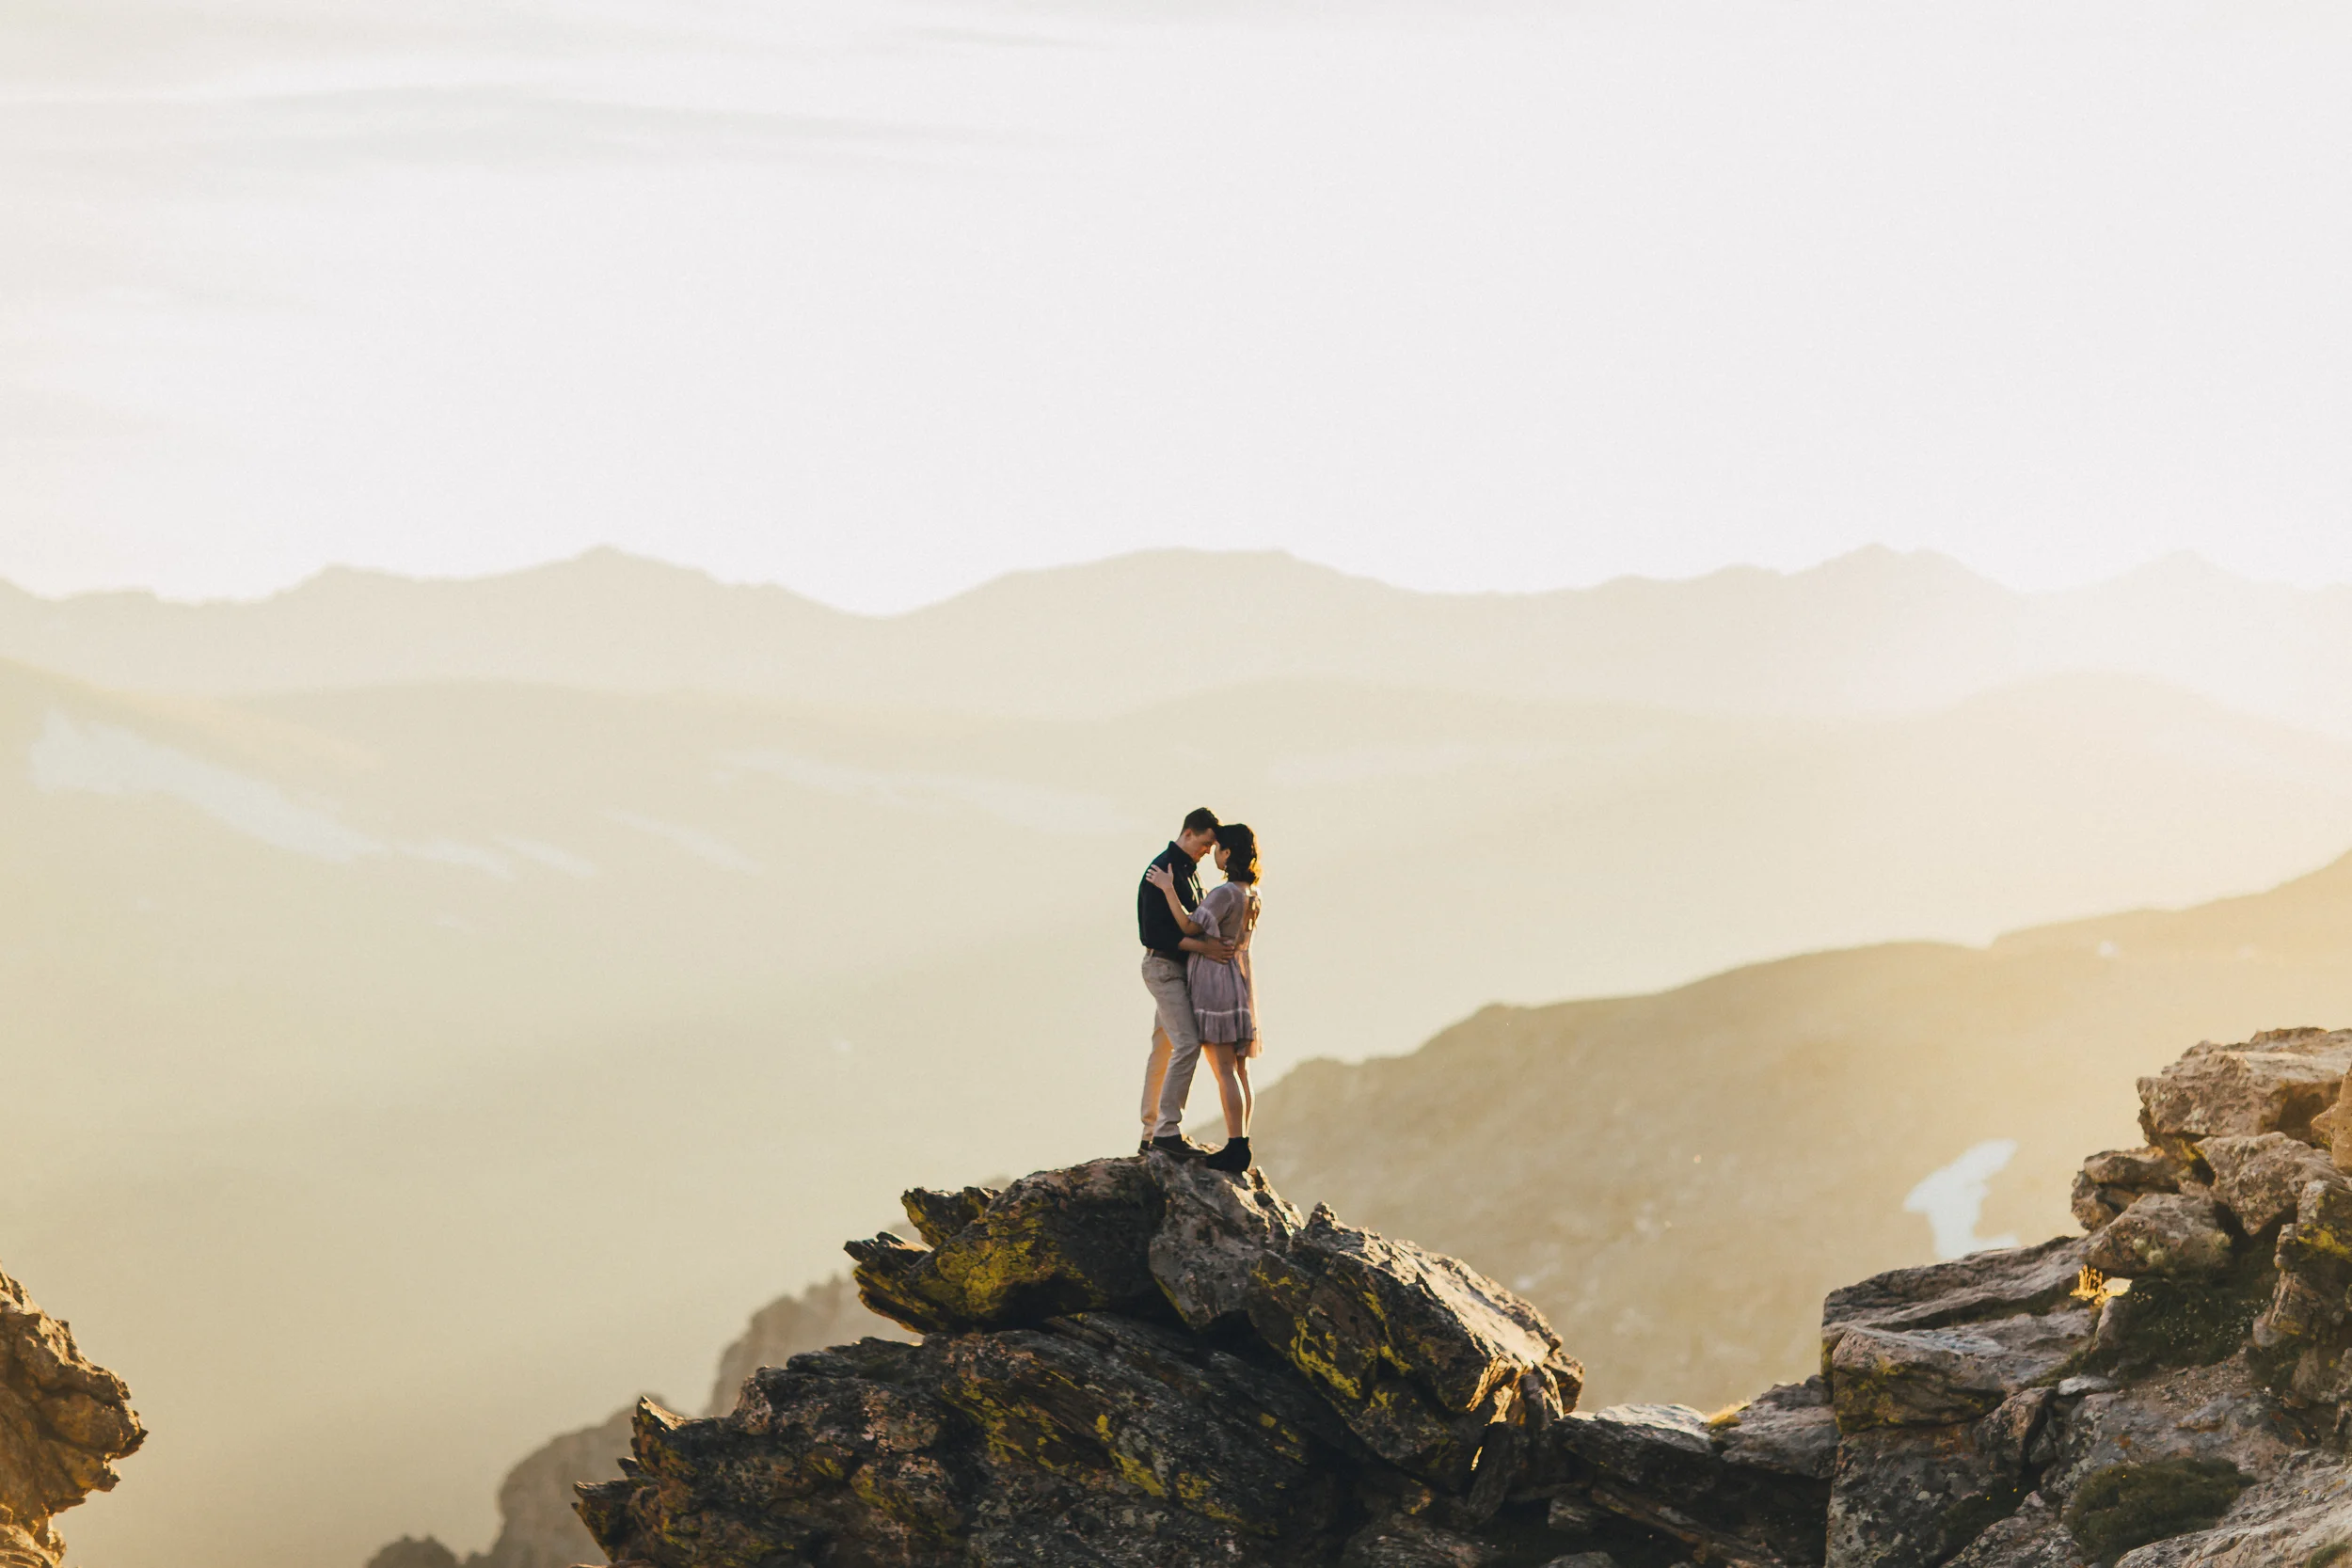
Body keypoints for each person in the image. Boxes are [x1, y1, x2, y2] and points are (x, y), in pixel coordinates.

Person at [1143, 822, 1262, 1172]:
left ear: (1229, 853)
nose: (1212, 854)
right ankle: (1242, 1140)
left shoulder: (1224, 893)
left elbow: (1188, 926)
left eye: (1218, 848)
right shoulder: (1252, 894)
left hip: (1216, 984)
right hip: (1240, 982)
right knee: (1240, 1069)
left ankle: (1236, 1146)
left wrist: (1167, 889)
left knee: (1224, 1068)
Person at [1136, 808, 1235, 1158]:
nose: (1207, 851)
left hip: (1179, 971)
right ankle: (1166, 1131)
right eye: (1205, 843)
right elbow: (1155, 934)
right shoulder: (1162, 870)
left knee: (1163, 1048)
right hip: (1165, 969)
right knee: (1188, 1044)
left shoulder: (1188, 873)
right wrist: (1205, 948)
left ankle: (1151, 1132)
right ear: (1189, 833)